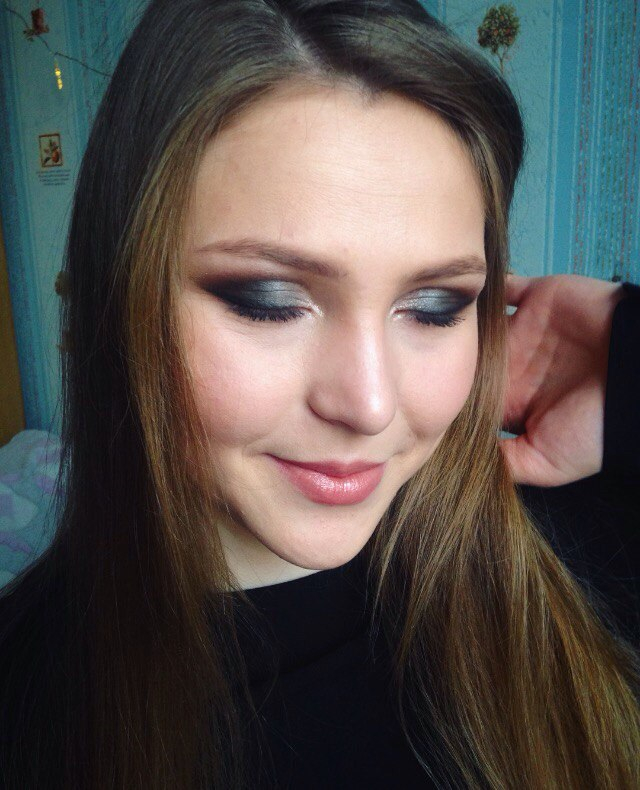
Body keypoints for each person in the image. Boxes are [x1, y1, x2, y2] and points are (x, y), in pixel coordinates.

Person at [0, 0, 638, 788]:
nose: (370, 406)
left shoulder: (582, 549)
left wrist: (627, 354)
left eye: (435, 307)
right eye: (269, 301)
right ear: (120, 296)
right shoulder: (30, 710)